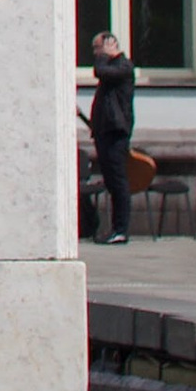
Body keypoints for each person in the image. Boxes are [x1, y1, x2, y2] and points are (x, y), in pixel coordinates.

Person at [84, 32, 138, 246]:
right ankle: (115, 228)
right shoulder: (113, 67)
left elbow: (100, 71)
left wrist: (103, 56)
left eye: (98, 48)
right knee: (112, 181)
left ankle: (121, 229)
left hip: (116, 132)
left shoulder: (123, 66)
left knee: (118, 181)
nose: (96, 54)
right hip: (105, 131)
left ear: (111, 44)